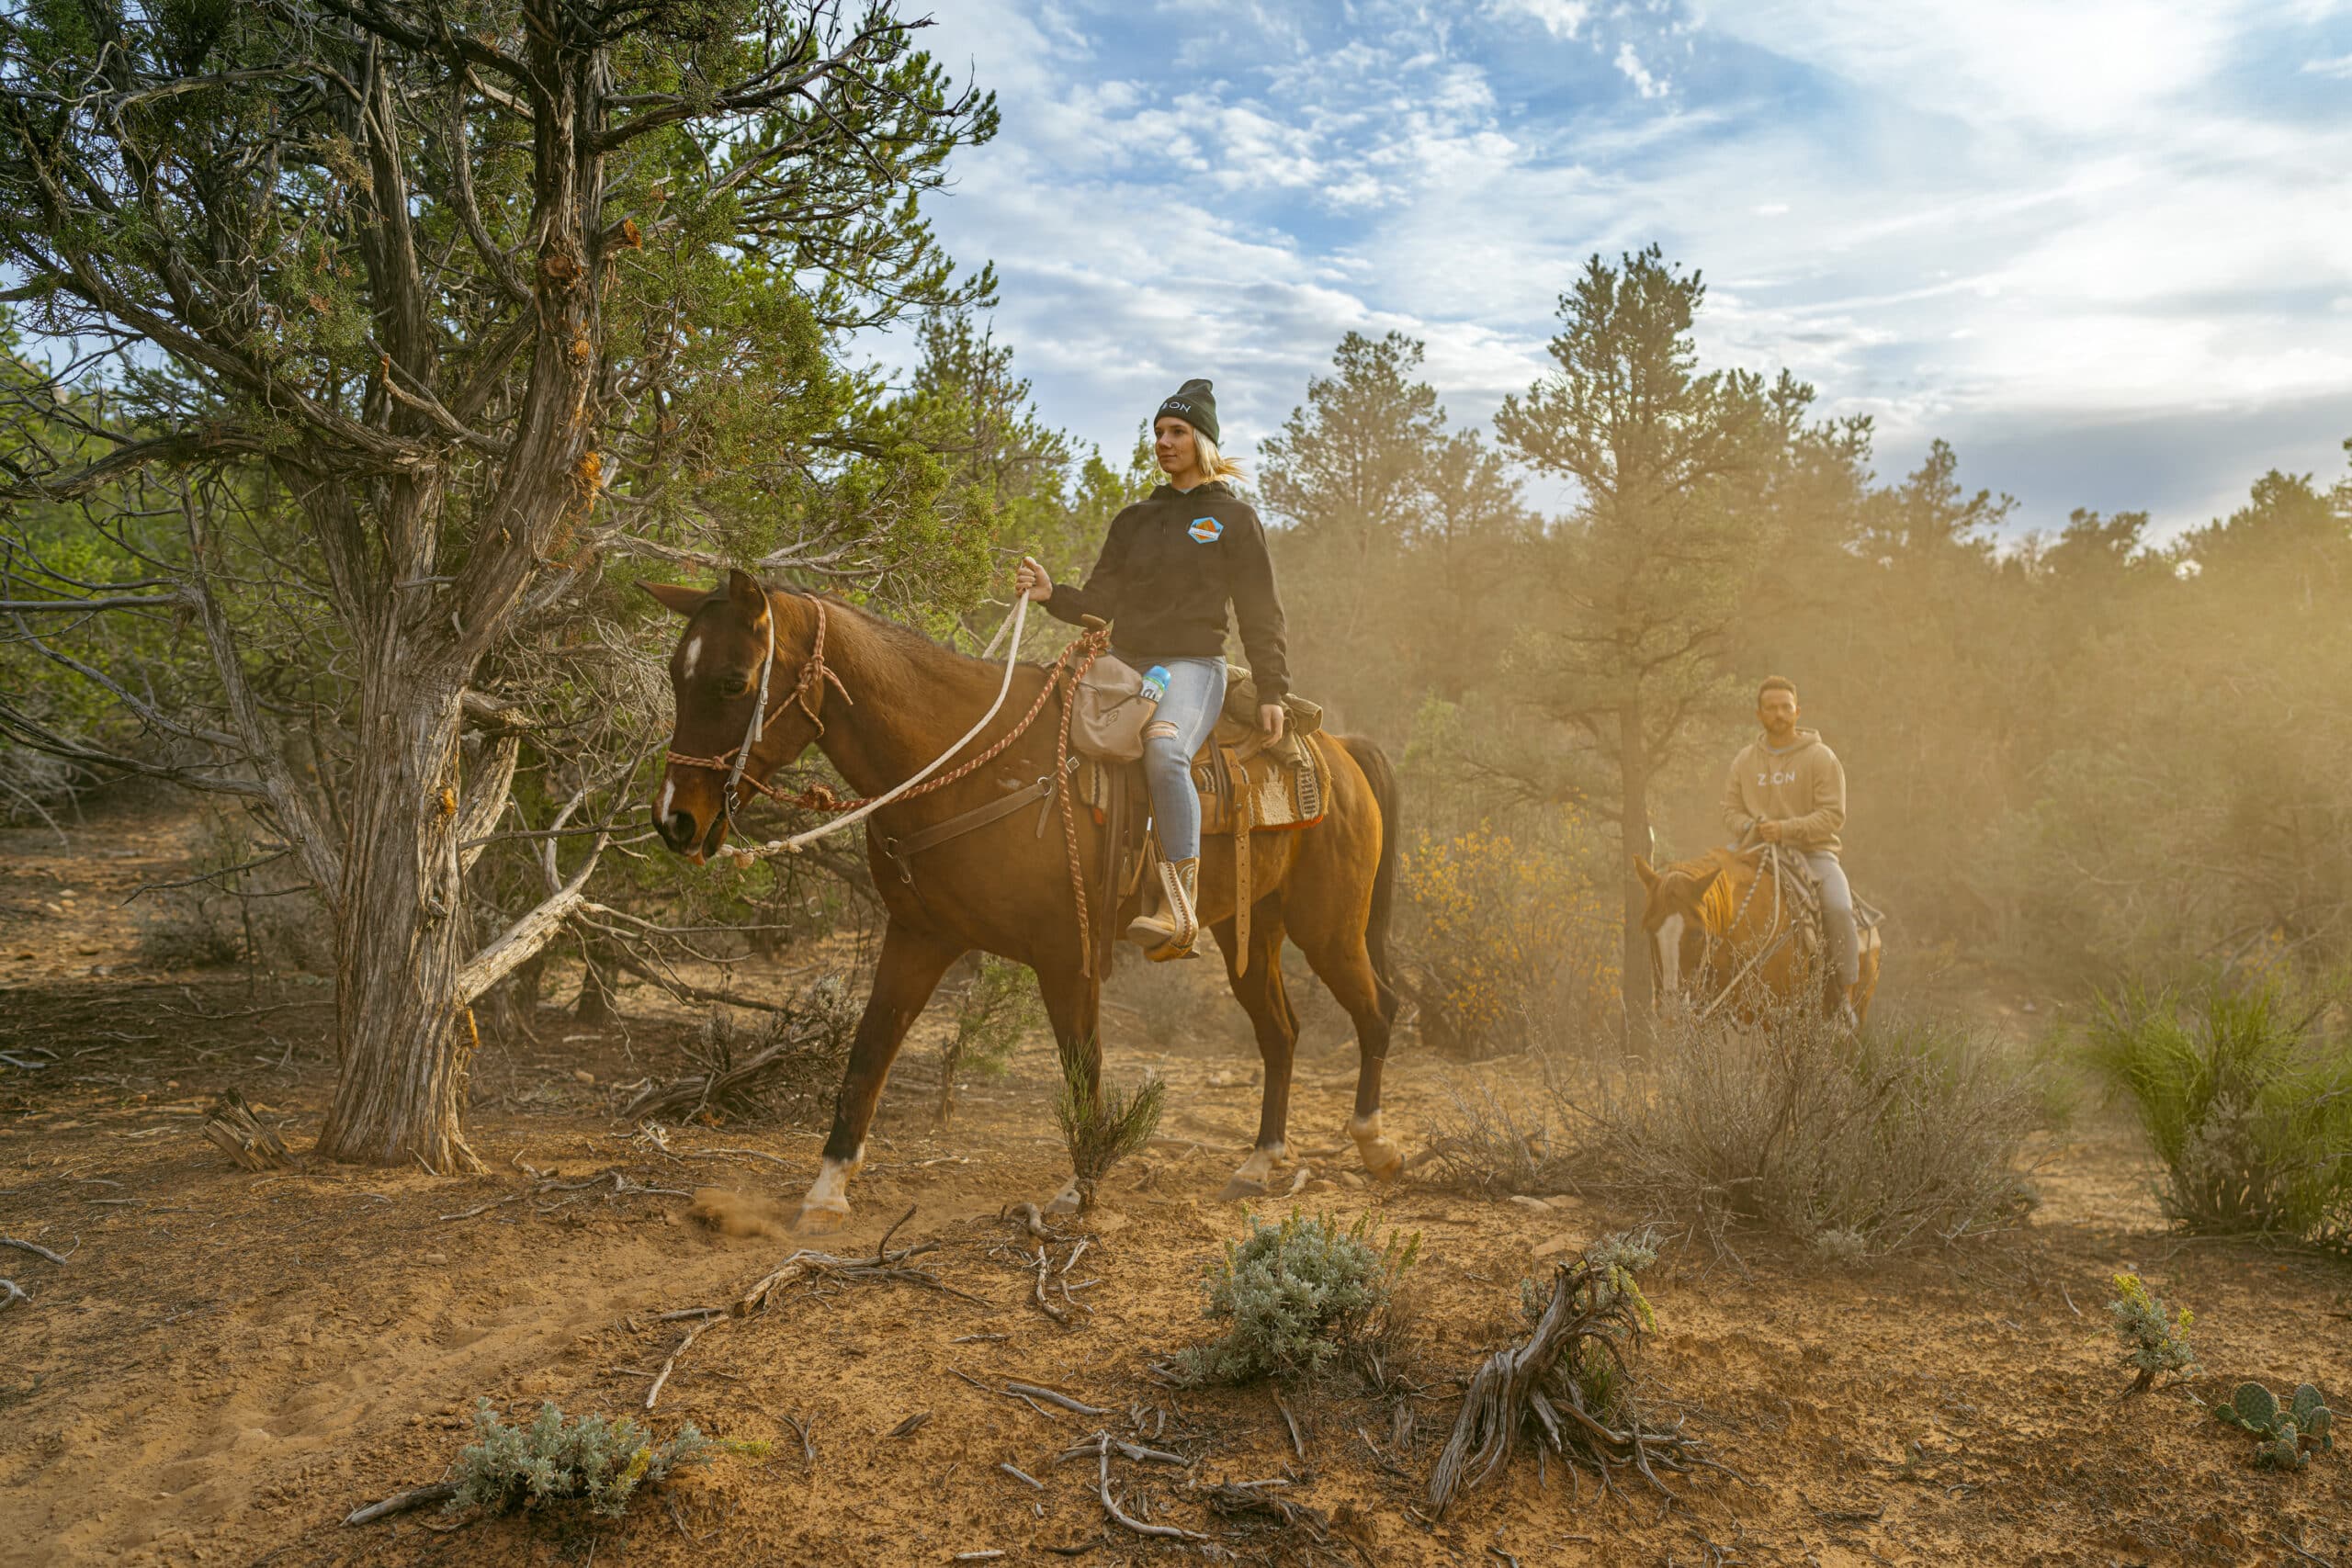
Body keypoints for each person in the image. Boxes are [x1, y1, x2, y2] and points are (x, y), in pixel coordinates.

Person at [1016, 378, 1289, 961]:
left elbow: (1260, 611)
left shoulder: (1233, 519)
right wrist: (1050, 596)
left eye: (1178, 432)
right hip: (1125, 663)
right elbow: (1102, 602)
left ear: (1204, 441)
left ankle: (1178, 903)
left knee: (1164, 749)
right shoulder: (1134, 519)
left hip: (1194, 665)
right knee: (1049, 723)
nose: (1164, 442)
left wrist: (1273, 688)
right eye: (1159, 432)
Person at [1720, 676, 1860, 1027]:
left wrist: (1786, 829)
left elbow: (1833, 816)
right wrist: (1752, 828)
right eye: (1771, 707)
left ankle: (1843, 994)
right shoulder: (1744, 760)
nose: (1779, 714)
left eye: (1786, 707)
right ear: (1759, 714)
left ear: (1798, 711)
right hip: (1754, 852)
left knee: (1839, 907)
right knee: (1711, 899)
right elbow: (1729, 810)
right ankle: (1709, 990)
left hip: (1812, 854)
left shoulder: (1820, 757)